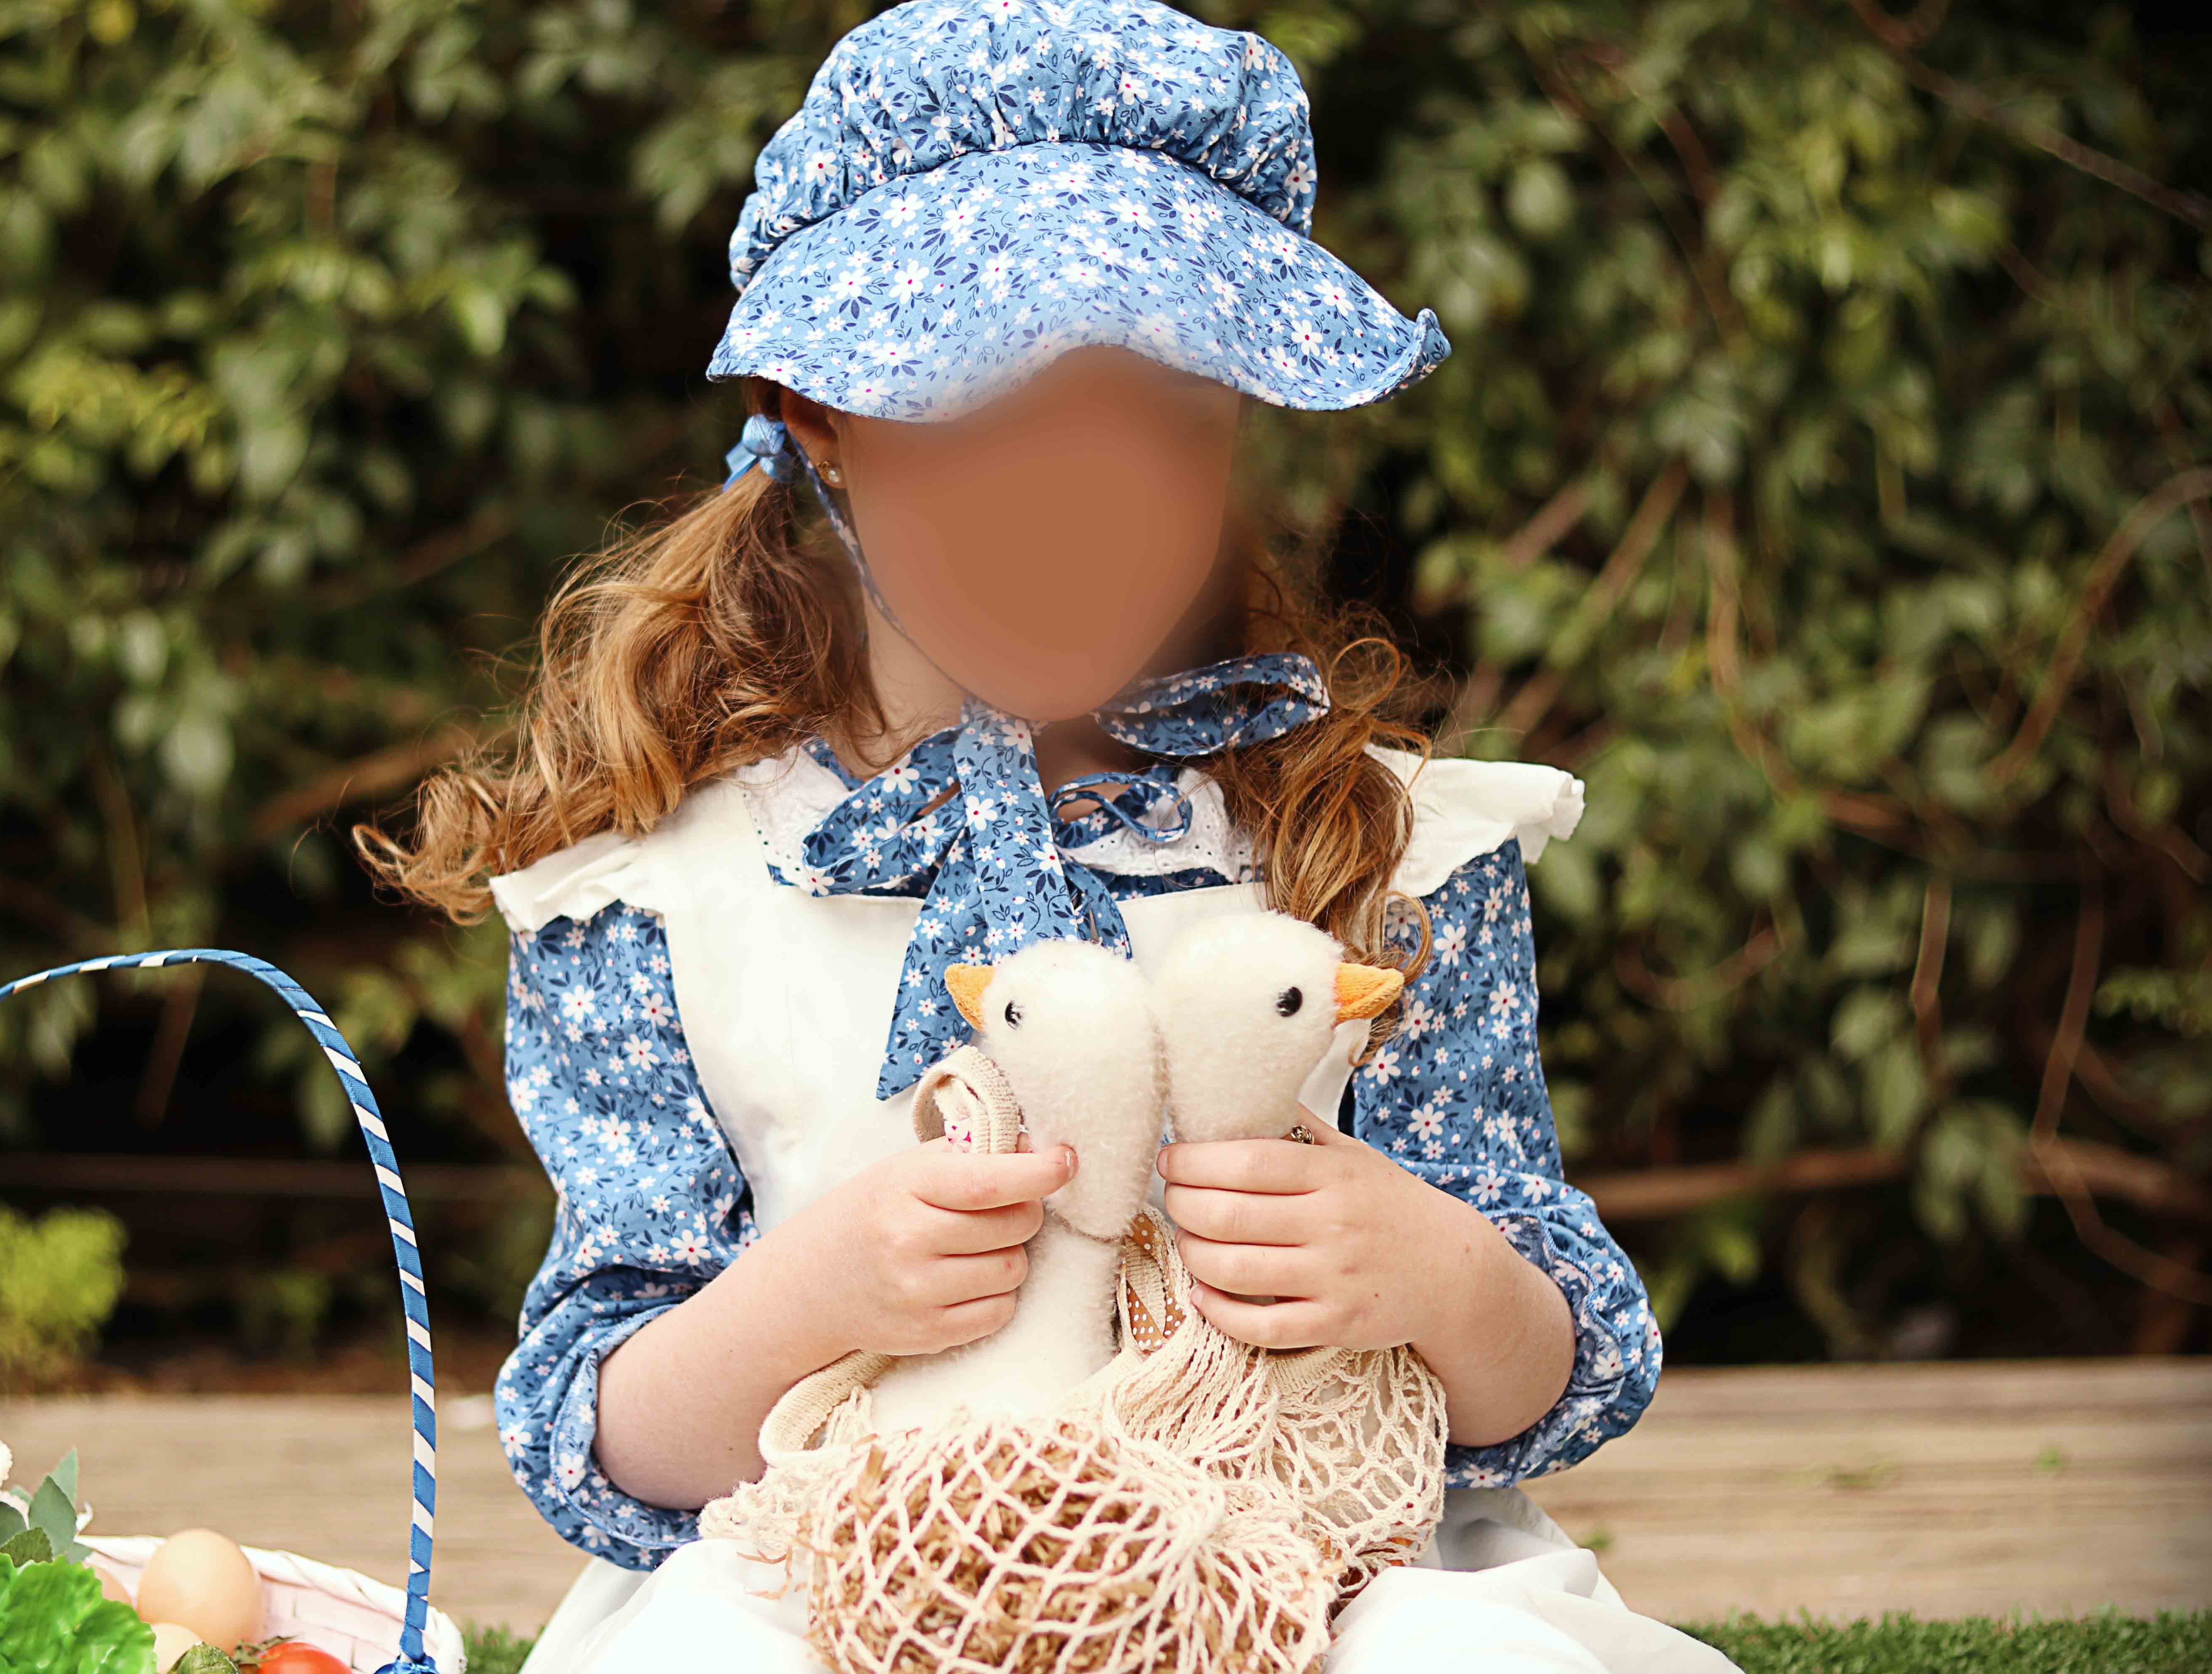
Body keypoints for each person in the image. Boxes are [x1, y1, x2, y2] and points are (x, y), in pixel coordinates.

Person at [365, 3, 1731, 1669]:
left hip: (1315, 1567)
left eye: (1165, 425)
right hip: (849, 1572)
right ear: (822, 420)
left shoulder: (1384, 851)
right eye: (984, 418)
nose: (1081, 507)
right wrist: (805, 1302)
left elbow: (1560, 1379)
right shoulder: (660, 896)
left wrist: (1437, 1274)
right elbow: (604, 1447)